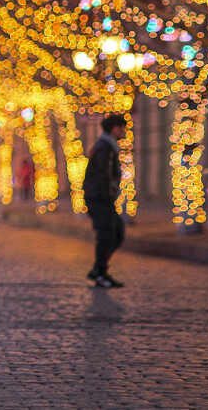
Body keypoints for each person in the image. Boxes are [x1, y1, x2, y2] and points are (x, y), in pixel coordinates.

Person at [85, 114, 128, 289]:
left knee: (115, 233)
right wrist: (108, 196)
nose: (125, 131)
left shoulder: (106, 146)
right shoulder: (105, 148)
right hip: (101, 200)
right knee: (108, 236)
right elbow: (104, 176)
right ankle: (101, 273)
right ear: (115, 129)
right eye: (123, 128)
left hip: (100, 199)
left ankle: (99, 269)